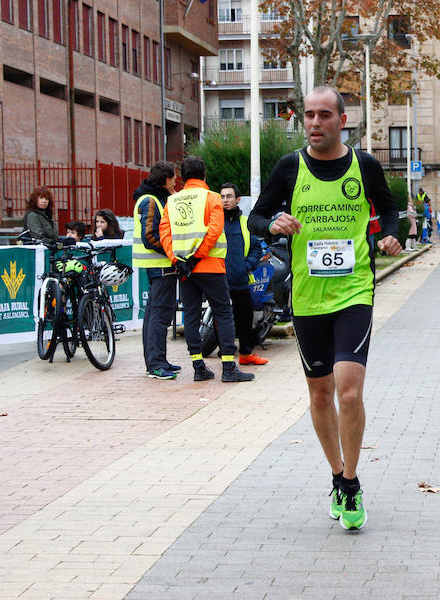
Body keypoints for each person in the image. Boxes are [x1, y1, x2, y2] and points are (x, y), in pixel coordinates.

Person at [247, 85, 402, 531]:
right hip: (308, 297)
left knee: (349, 390)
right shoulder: (290, 167)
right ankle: (336, 473)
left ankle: (351, 484)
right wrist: (271, 222)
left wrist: (391, 236)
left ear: (341, 120)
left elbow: (390, 213)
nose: (314, 123)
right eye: (308, 116)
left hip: (354, 291)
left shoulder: (365, 166)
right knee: (320, 393)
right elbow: (257, 215)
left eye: (323, 116)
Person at [159, 156, 254, 384]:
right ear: (204, 175)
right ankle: (229, 368)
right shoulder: (212, 198)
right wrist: (196, 257)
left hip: (184, 269)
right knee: (223, 313)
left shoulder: (172, 201)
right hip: (210, 266)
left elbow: (165, 232)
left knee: (191, 314)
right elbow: (214, 230)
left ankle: (198, 367)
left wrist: (178, 259)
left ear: (182, 176)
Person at [133, 161, 181, 380]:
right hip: (160, 266)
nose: (175, 181)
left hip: (160, 266)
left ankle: (157, 360)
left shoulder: (154, 199)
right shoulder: (151, 201)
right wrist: (173, 254)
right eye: (173, 178)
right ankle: (156, 364)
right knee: (159, 316)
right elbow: (150, 236)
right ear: (164, 179)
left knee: (156, 315)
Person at [220, 182, 268, 366]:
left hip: (240, 279)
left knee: (245, 318)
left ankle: (246, 354)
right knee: (221, 318)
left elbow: (256, 247)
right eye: (223, 197)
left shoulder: (245, 222)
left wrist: (247, 265)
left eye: (229, 196)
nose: (225, 200)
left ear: (238, 199)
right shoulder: (216, 221)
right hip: (220, 278)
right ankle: (225, 354)